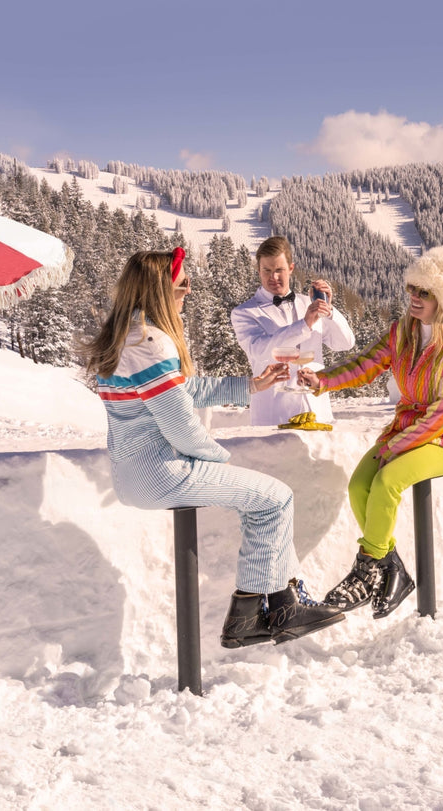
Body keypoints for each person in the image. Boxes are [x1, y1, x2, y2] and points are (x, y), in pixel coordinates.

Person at [84, 248, 344, 648]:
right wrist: (222, 459)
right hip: (162, 472)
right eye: (183, 283)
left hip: (134, 472)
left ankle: (278, 605)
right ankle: (254, 613)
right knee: (274, 499)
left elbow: (185, 390)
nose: (189, 289)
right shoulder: (152, 342)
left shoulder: (129, 338)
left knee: (266, 498)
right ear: (159, 290)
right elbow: (179, 423)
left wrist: (251, 386)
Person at [299, 246, 443, 619]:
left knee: (387, 482)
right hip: (406, 428)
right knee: (358, 486)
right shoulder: (403, 332)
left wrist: (395, 448)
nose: (414, 298)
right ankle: (390, 566)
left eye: (425, 293)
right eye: (412, 289)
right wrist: (321, 381)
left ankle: (367, 572)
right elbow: (366, 365)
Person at [230, 236, 356, 426]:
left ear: (291, 268)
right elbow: (260, 351)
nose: (273, 277)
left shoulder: (309, 304)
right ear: (259, 271)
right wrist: (304, 325)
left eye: (279, 270)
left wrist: (329, 310)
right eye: (267, 271)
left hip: (317, 412)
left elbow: (345, 343)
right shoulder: (244, 313)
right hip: (274, 417)